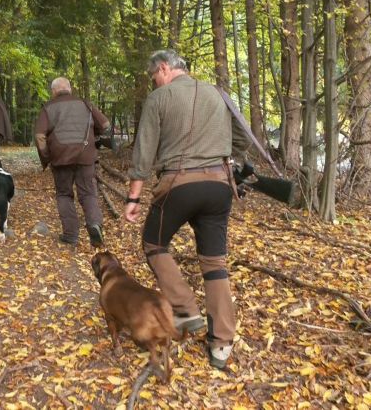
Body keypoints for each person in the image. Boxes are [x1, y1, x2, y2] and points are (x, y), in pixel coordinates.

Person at [123, 49, 245, 371]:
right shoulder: (219, 94)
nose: (153, 84)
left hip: (178, 185)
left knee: (153, 242)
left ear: (164, 68)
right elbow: (243, 138)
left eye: (153, 77)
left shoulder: (160, 98)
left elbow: (144, 152)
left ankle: (186, 309)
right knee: (214, 262)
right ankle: (221, 345)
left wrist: (133, 198)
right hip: (220, 187)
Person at [35, 77, 110, 248]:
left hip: (60, 158)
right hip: (86, 156)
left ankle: (70, 235)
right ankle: (94, 224)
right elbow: (105, 124)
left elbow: (40, 137)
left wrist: (47, 156)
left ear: (54, 91)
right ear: (69, 88)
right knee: (88, 193)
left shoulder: (48, 108)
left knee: (64, 194)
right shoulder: (85, 104)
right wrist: (95, 136)